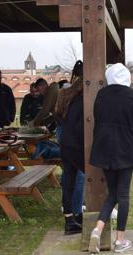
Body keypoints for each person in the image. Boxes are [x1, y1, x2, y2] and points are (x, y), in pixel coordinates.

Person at [88, 63, 133, 254]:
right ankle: (120, 241)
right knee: (123, 195)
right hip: (125, 149)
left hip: (103, 148)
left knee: (112, 194)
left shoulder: (101, 95)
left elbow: (97, 117)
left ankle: (97, 230)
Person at [55, 61, 85, 225]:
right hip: (76, 144)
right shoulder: (81, 98)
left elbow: (58, 116)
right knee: (80, 178)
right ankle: (78, 213)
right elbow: (81, 126)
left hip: (65, 141)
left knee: (68, 180)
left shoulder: (65, 94)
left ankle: (69, 220)